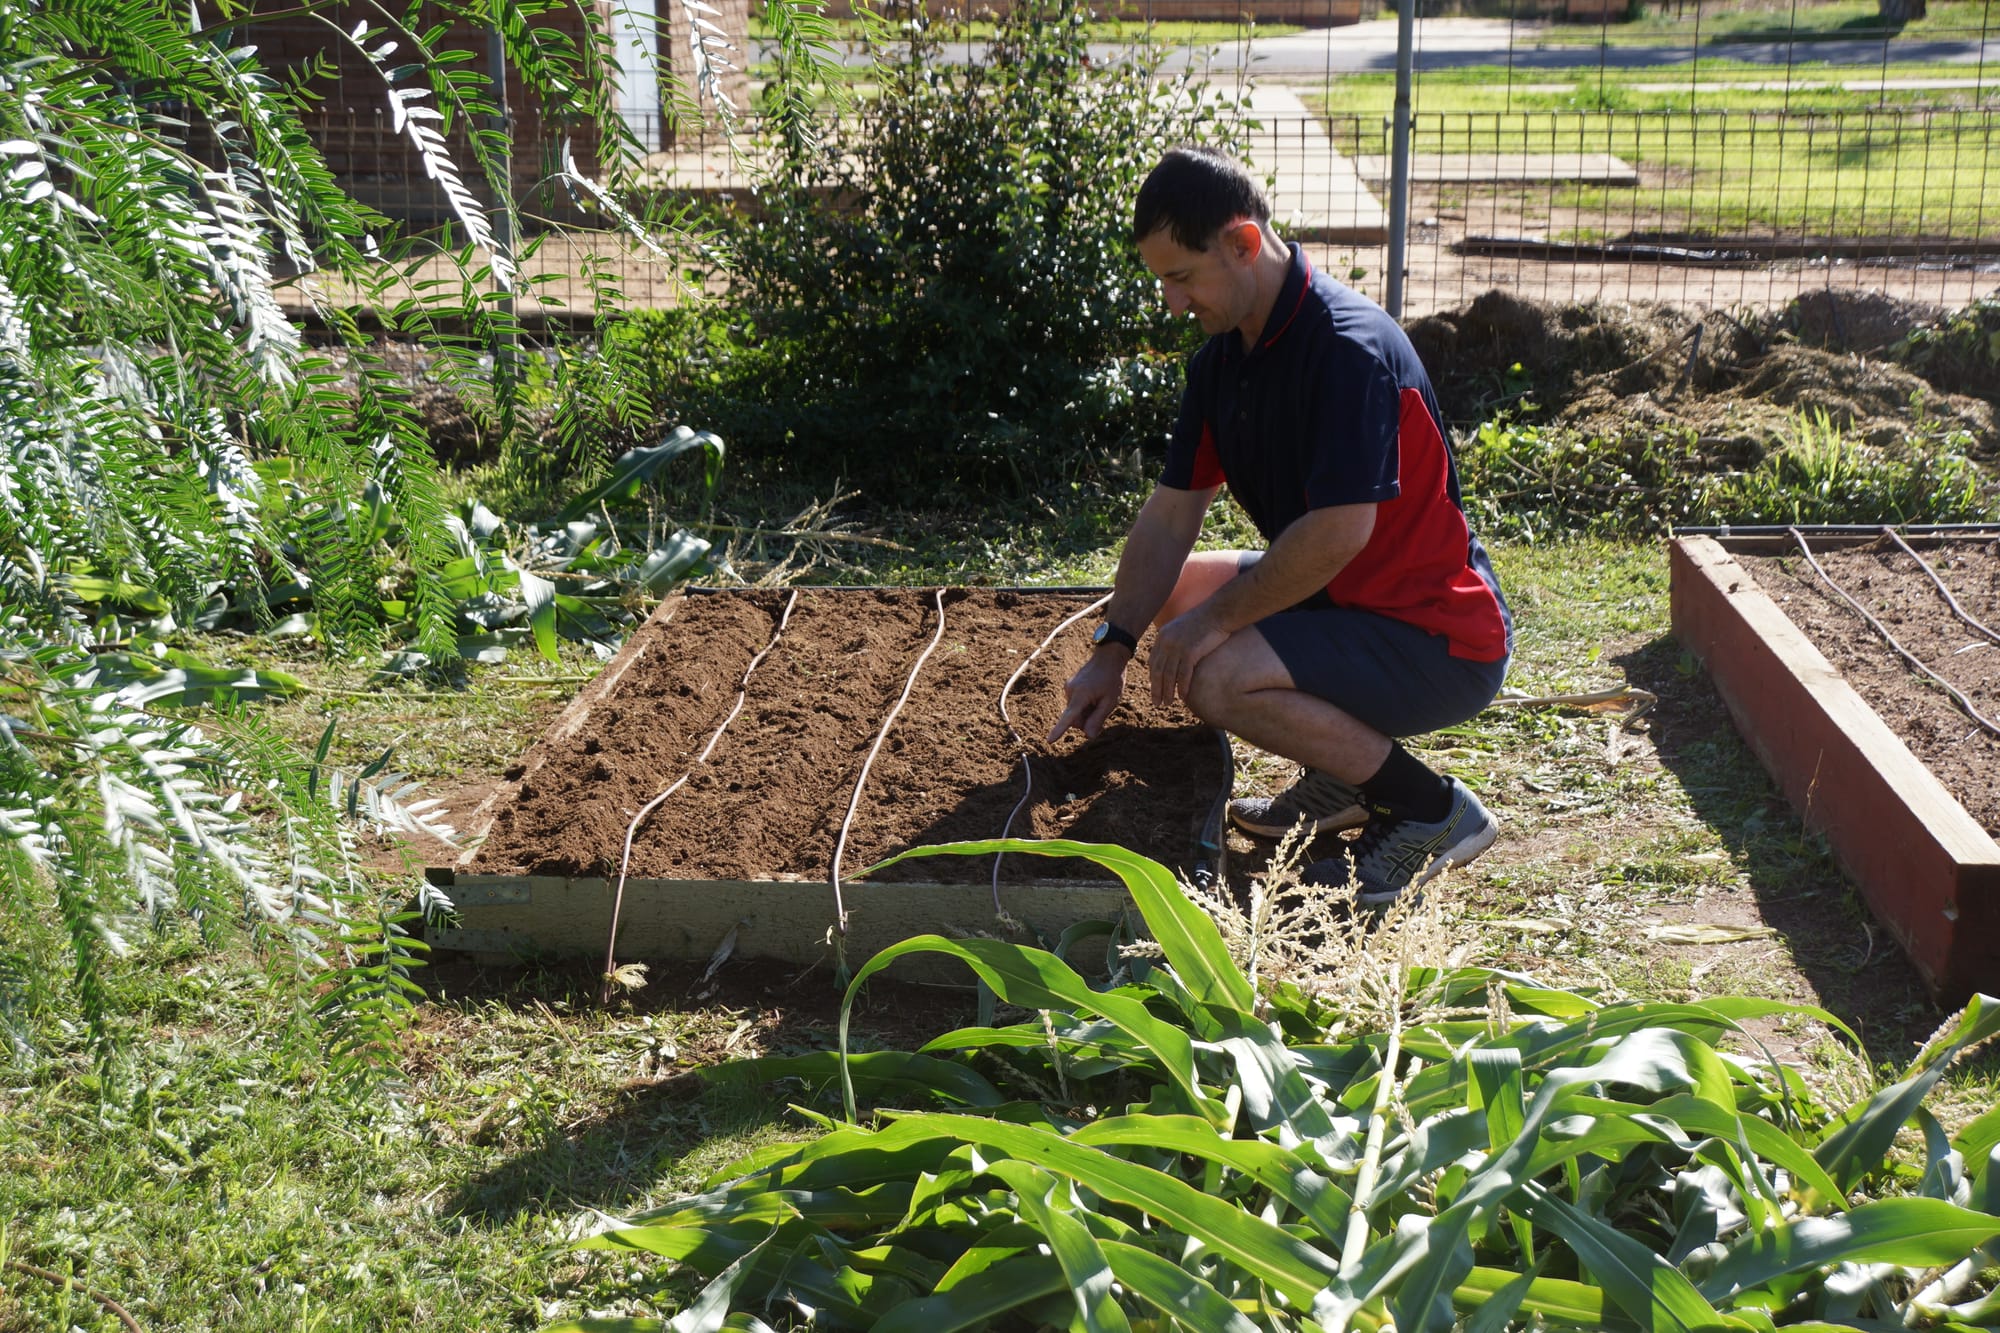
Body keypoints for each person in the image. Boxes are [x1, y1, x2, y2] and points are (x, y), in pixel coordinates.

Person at [1046, 145, 1512, 905]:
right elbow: (1170, 518)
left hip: (1435, 635)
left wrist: (1207, 630)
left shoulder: (1346, 353)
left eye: (1180, 277)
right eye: (1160, 279)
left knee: (1216, 673)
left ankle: (1430, 809)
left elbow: (1336, 535)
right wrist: (1114, 646)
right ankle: (1343, 776)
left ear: (1243, 244)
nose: (1171, 302)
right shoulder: (1224, 362)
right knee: (1183, 593)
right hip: (1350, 605)